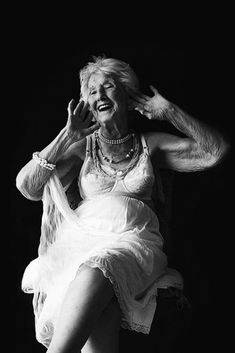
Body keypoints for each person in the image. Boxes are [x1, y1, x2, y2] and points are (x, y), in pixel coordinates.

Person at [16, 56, 229, 353]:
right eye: (92, 91)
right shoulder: (81, 150)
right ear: (87, 104)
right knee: (101, 319)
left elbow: (215, 152)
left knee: (99, 266)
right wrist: (67, 135)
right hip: (80, 244)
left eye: (108, 87)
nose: (100, 95)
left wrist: (170, 113)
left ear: (127, 97)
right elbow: (28, 186)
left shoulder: (151, 145)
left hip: (134, 245)